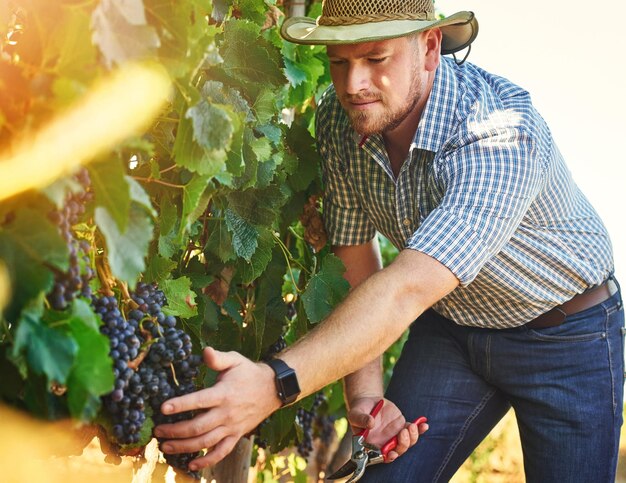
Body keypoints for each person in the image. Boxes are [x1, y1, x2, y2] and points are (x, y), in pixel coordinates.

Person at [154, 1, 624, 480]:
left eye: (375, 59)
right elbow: (355, 253)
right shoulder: (341, 123)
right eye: (338, 61)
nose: (353, 84)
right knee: (384, 474)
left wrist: (275, 383)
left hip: (567, 334)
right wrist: (365, 399)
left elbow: (407, 288)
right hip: (453, 328)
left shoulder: (501, 133)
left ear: (429, 47)